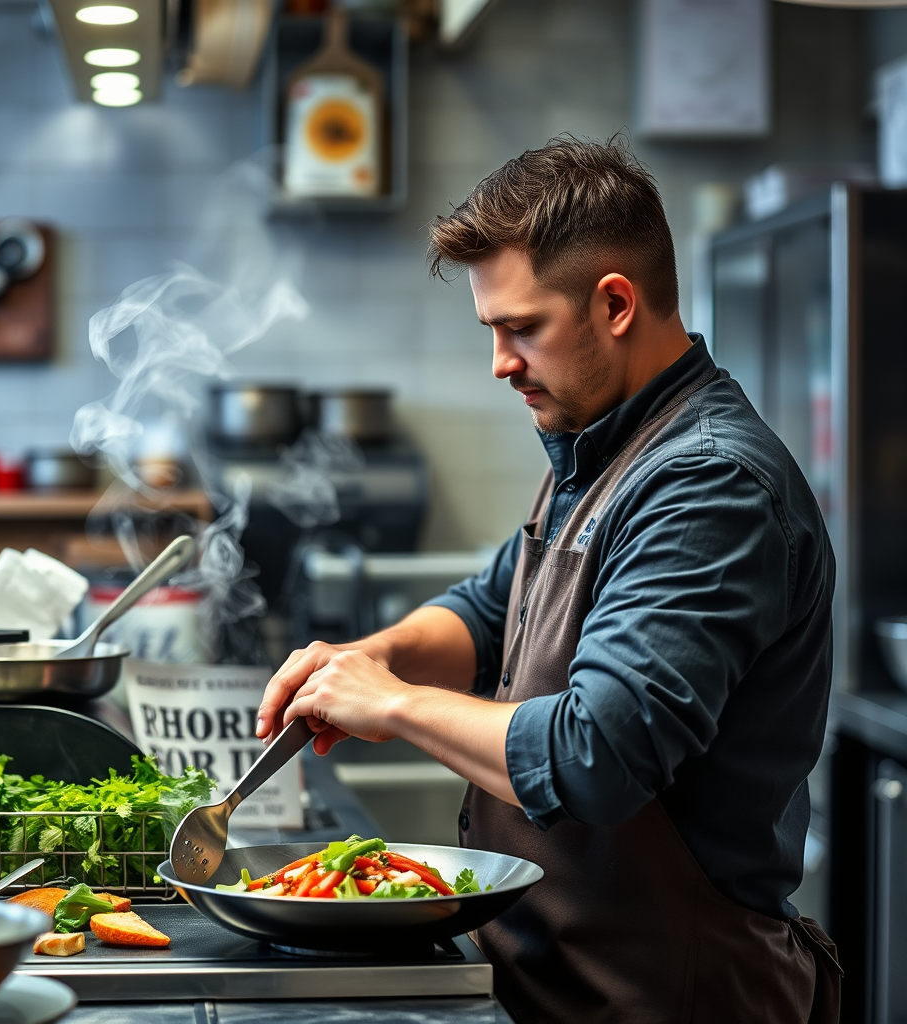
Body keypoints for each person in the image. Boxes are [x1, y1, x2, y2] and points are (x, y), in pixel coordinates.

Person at [256, 135, 841, 1023]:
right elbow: (492, 610)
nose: (500, 362)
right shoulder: (597, 446)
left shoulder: (709, 483)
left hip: (671, 993)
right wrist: (366, 657)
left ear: (614, 304)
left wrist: (394, 704)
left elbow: (598, 754)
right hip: (562, 982)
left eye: (521, 327)